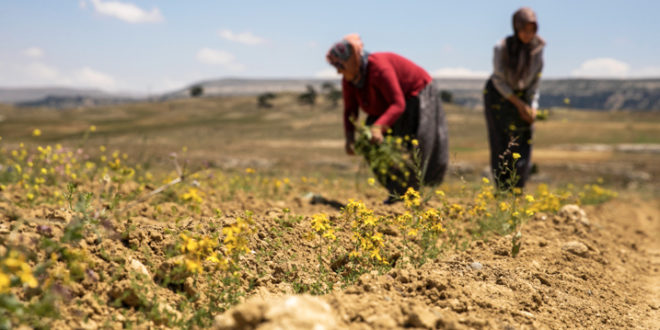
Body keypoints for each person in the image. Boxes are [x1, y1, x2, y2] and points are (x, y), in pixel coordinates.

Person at [326, 34, 448, 204]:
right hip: (387, 106)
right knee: (372, 146)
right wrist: (350, 138)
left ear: (353, 59)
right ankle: (396, 193)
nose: (339, 71)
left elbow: (398, 104)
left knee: (413, 147)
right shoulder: (350, 79)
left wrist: (378, 128)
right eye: (335, 66)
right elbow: (350, 111)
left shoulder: (379, 68)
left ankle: (411, 195)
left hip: (415, 95)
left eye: (340, 65)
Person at [484, 7, 545, 190]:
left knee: (524, 139)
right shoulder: (501, 47)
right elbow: (498, 80)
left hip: (523, 95)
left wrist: (532, 106)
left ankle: (517, 189)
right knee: (501, 141)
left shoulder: (538, 49)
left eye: (532, 30)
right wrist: (518, 104)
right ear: (516, 27)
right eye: (524, 30)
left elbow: (535, 81)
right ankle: (502, 190)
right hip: (499, 95)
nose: (528, 34)